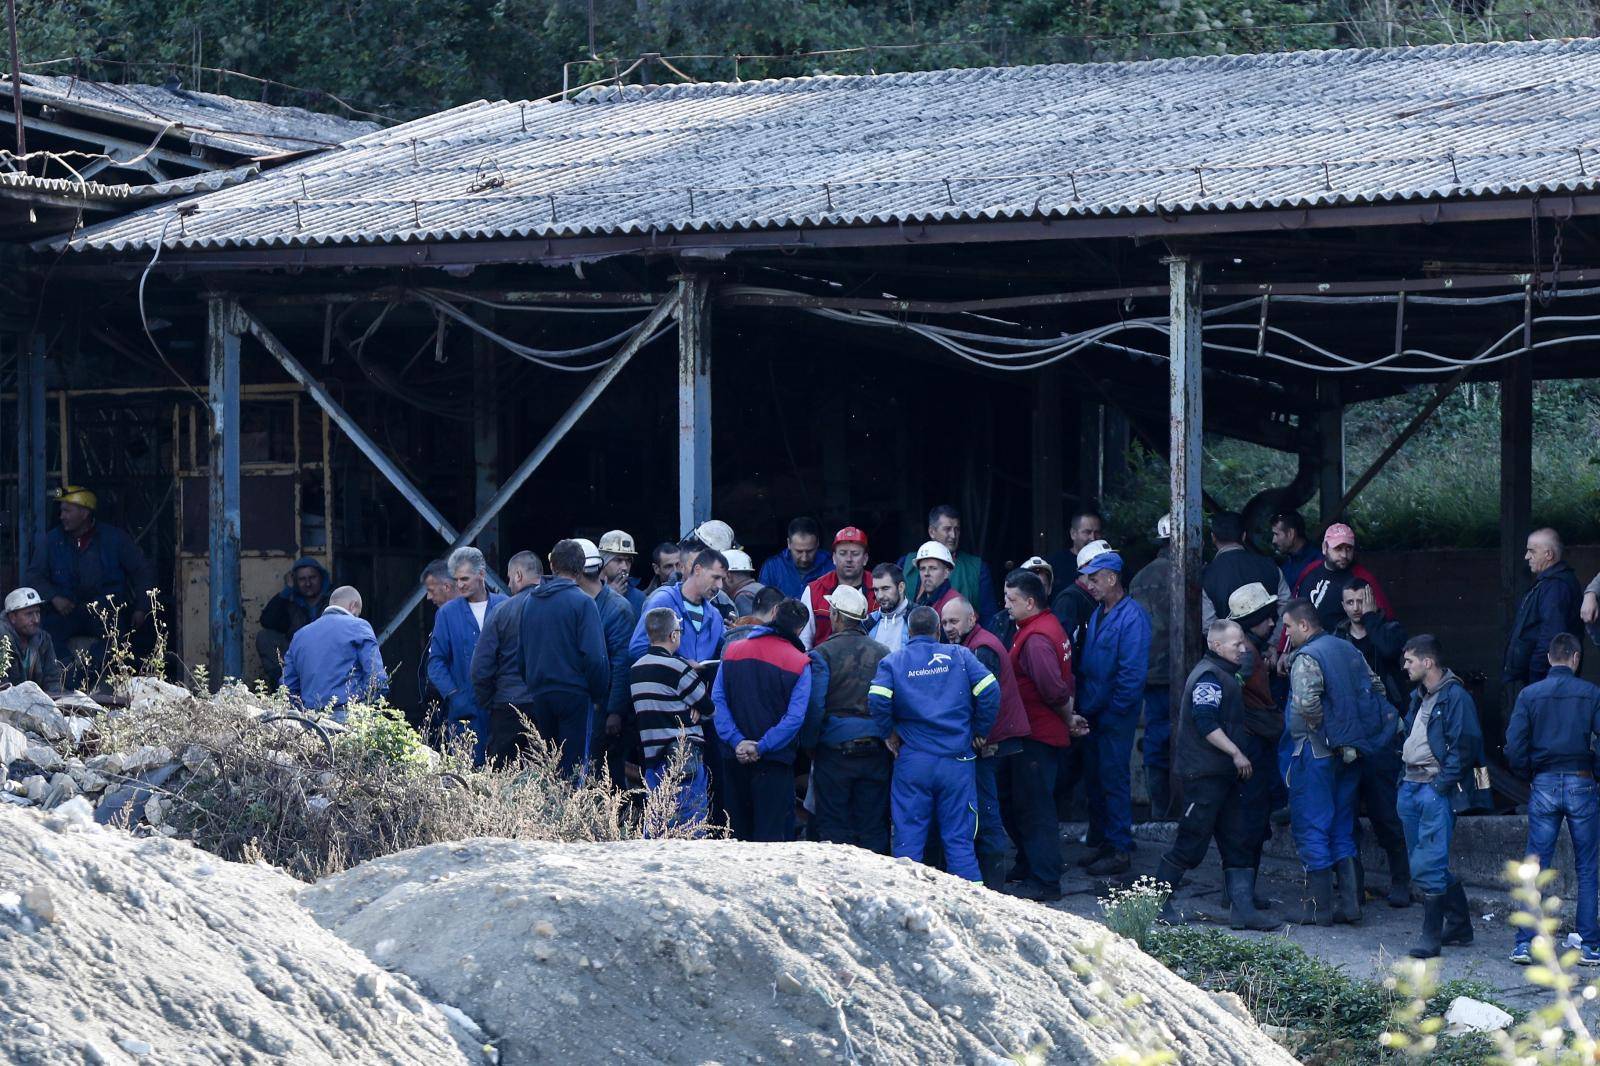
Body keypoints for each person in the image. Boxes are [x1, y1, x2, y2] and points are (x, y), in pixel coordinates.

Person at [1153, 620, 1283, 931]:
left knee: (1237, 839)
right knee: (1191, 840)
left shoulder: (1224, 673)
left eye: (1242, 642)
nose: (1243, 648)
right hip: (1205, 774)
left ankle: (1243, 910)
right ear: (1216, 646)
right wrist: (1237, 753)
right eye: (1236, 644)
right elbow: (1205, 721)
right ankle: (1154, 903)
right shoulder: (1209, 677)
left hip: (1224, 775)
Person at [1282, 598, 1393, 926]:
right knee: (1343, 825)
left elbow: (1305, 703)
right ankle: (1351, 904)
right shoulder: (1347, 649)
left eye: (1288, 626)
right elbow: (1377, 689)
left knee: (1312, 824)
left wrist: (1325, 731)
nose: (1286, 634)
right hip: (1351, 754)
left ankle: (1318, 908)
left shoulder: (1307, 657)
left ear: (1304, 625)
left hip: (1316, 753)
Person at [869, 606, 999, 881]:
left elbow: (878, 698)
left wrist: (888, 733)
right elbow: (990, 689)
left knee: (908, 844)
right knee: (959, 842)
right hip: (957, 762)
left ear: (909, 631)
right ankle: (972, 911)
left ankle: (907, 910)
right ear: (938, 630)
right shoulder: (960, 656)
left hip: (913, 762)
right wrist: (980, 729)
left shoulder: (894, 661)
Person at [1504, 633, 1600, 965]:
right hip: (1581, 781)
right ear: (1575, 658)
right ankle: (1589, 945)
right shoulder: (1591, 693)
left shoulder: (1529, 695)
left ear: (1549, 658)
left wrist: (1529, 774)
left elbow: (1514, 744)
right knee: (1587, 866)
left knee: (1536, 866)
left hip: (1543, 782)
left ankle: (1525, 943)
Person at [1398, 634, 1484, 959]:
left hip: (1433, 788)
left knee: (1427, 864)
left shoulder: (1456, 697)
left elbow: (1466, 746)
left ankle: (1431, 936)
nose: (1405, 666)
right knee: (1422, 862)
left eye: (1409, 661)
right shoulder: (1418, 697)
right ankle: (1460, 924)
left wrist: (1440, 786)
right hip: (1410, 785)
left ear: (1427, 662)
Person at [999, 569, 1080, 900]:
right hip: (1037, 733)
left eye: (1011, 599)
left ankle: (1045, 881)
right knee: (1022, 805)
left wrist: (1069, 718)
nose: (1006, 605)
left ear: (1030, 601)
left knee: (1035, 811)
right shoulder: (1046, 627)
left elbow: (1054, 690)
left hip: (1036, 737)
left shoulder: (1035, 639)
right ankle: (1029, 864)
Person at [941, 595, 1032, 890]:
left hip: (991, 742)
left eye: (954, 621)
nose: (948, 628)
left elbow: (982, 699)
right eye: (944, 623)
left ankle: (994, 890)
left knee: (988, 813)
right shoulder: (973, 644)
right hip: (994, 739)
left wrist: (980, 734)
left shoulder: (981, 648)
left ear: (972, 619)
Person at [1334, 579, 1413, 908]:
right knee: (1346, 813)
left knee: (1386, 812)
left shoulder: (1389, 630)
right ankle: (1354, 888)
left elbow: (1390, 653)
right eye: (1349, 602)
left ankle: (1401, 881)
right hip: (1349, 735)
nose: (1355, 608)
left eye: (1360, 601)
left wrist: (1372, 618)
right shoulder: (1336, 636)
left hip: (1382, 734)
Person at [24, 485, 158, 675]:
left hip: (105, 611)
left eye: (67, 511)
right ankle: (67, 677)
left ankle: (90, 675)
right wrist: (54, 597)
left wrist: (141, 608)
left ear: (85, 513)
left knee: (117, 638)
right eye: (61, 511)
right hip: (66, 611)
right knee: (45, 636)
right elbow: (33, 575)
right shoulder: (51, 541)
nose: (62, 516)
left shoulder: (114, 539)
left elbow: (142, 571)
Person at [1077, 547, 1152, 876]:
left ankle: (1120, 849)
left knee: (1115, 780)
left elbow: (1131, 675)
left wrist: (1115, 713)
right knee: (1099, 780)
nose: (1089, 584)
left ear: (1111, 578)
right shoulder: (1099, 612)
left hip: (1114, 715)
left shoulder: (1132, 617)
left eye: (1094, 579)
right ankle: (1107, 841)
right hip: (1096, 711)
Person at [801, 584, 893, 853]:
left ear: (836, 615)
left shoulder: (821, 654)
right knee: (873, 824)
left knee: (834, 824)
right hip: (876, 749)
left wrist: (809, 743)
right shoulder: (883, 652)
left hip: (834, 751)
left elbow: (815, 706)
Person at [712, 599, 812, 841]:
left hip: (734, 758)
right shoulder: (800, 663)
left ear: (774, 612)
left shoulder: (733, 651)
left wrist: (736, 741)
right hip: (774, 763)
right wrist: (762, 746)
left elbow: (717, 701)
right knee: (771, 841)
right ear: (800, 630)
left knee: (735, 835)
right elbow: (795, 718)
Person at [510, 540, 610, 776]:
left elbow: (521, 655)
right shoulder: (584, 602)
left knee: (548, 768)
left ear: (552, 565)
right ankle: (570, 812)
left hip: (541, 695)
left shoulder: (530, 602)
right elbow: (596, 657)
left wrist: (534, 685)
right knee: (574, 770)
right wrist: (597, 694)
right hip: (575, 695)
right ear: (581, 567)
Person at [1224, 583, 1287, 909]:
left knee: (1248, 819)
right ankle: (1240, 897)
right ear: (1250, 621)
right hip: (1252, 746)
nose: (1273, 624)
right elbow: (1231, 694)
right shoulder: (1246, 657)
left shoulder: (1246, 651)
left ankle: (1238, 894)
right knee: (1250, 819)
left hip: (1250, 744)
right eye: (1266, 618)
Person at [630, 606, 714, 829]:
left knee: (657, 821)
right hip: (683, 757)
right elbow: (709, 707)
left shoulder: (636, 669)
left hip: (652, 759)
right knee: (690, 824)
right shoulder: (678, 668)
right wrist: (693, 708)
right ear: (673, 635)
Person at [426, 547, 507, 765]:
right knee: (468, 772)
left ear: (481, 574)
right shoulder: (447, 613)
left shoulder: (505, 606)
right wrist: (454, 695)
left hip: (503, 705)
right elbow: (436, 663)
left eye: (464, 578)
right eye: (456, 579)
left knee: (507, 771)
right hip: (465, 708)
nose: (459, 585)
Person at [469, 550, 543, 764]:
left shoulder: (502, 611)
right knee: (548, 775)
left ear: (519, 575)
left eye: (510, 578)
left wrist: (490, 701)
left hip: (508, 706)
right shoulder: (561, 608)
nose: (509, 584)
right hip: (547, 705)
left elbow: (480, 668)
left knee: (504, 777)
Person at [575, 538, 638, 787]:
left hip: (604, 708)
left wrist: (615, 711)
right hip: (584, 706)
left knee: (606, 775)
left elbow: (622, 665)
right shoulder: (579, 605)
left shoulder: (616, 609)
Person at [282, 586, 388, 722]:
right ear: (353, 605)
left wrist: (301, 716)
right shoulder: (359, 626)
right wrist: (363, 704)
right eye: (357, 613)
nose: (356, 617)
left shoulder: (300, 636)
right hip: (349, 717)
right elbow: (376, 678)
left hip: (310, 721)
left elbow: (287, 686)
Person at [1127, 514, 1173, 819]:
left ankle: (1159, 809)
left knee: (1155, 738)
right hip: (1185, 671)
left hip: (1149, 673)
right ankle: (1181, 809)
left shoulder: (1138, 579)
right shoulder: (1194, 573)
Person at [1505, 528, 1583, 689]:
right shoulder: (1550, 583)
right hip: (1543, 678)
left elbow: (1552, 633)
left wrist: (1536, 673)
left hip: (1544, 679)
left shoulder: (1556, 586)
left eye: (1532, 551)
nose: (1527, 556)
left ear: (1548, 554)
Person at [629, 549, 728, 665]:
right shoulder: (663, 601)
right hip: (666, 682)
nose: (719, 585)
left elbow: (726, 652)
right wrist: (680, 665)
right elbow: (638, 648)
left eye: (722, 579)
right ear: (698, 570)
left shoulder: (715, 616)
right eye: (715, 577)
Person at [899, 505, 996, 620]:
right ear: (932, 532)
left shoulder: (977, 568)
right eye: (947, 529)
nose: (953, 536)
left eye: (957, 529)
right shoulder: (905, 563)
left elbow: (990, 618)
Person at [1293, 523, 1392, 632]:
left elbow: (1385, 620)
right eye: (1338, 548)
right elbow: (1293, 611)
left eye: (1349, 548)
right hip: (1304, 643)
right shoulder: (1310, 571)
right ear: (1325, 547)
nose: (1344, 555)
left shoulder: (1362, 578)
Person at [1200, 511, 1289, 632]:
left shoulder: (1206, 576)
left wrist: (1235, 647)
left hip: (1228, 648)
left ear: (1213, 537)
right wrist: (1273, 645)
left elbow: (1209, 626)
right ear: (1244, 536)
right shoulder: (1270, 566)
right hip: (1271, 647)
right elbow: (1286, 609)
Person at [256, 557, 330, 688]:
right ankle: (283, 687)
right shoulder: (291, 603)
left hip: (326, 656)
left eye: (312, 577)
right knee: (264, 636)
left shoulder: (332, 600)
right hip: (296, 657)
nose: (308, 583)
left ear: (321, 578)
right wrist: (287, 590)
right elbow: (267, 621)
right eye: (302, 579)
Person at [801, 527, 875, 648]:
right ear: (834, 558)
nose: (849, 559)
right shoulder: (814, 590)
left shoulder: (879, 588)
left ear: (865, 559)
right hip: (824, 663)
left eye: (855, 554)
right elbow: (804, 642)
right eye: (843, 553)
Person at [0, 587, 63, 695]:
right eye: (29, 614)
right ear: (12, 617)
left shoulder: (43, 639)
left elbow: (52, 679)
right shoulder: (2, 640)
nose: (36, 620)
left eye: (37, 613)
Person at [986, 556, 1053, 649]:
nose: (1035, 593)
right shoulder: (999, 621)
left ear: (1050, 589)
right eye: (1030, 588)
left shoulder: (1051, 628)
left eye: (1041, 587)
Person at [758, 517, 834, 598]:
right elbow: (762, 604)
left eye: (810, 551)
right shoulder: (772, 567)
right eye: (799, 551)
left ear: (817, 543)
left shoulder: (831, 566)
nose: (804, 558)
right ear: (789, 543)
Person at [1045, 510, 1104, 600]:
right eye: (1087, 532)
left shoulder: (1107, 564)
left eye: (1097, 533)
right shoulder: (1053, 564)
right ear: (1073, 534)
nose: (1093, 538)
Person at [1271, 510, 1321, 598]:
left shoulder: (1318, 561)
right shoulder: (1286, 564)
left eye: (1276, 534)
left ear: (1291, 533)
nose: (1274, 540)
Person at [868, 563, 912, 654]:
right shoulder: (868, 622)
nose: (879, 596)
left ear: (901, 587)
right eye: (876, 590)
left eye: (885, 588)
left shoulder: (917, 618)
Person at [598, 529, 645, 614]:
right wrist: (607, 597)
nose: (624, 567)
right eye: (618, 560)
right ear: (604, 560)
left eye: (628, 560)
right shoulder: (588, 590)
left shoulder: (639, 598)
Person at [911, 541, 961, 614]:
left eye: (933, 568)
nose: (926, 573)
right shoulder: (921, 602)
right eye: (922, 568)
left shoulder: (955, 605)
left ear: (946, 573)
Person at [724, 549, 767, 617]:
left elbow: (749, 627)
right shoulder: (760, 587)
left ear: (728, 576)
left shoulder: (743, 596)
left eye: (719, 577)